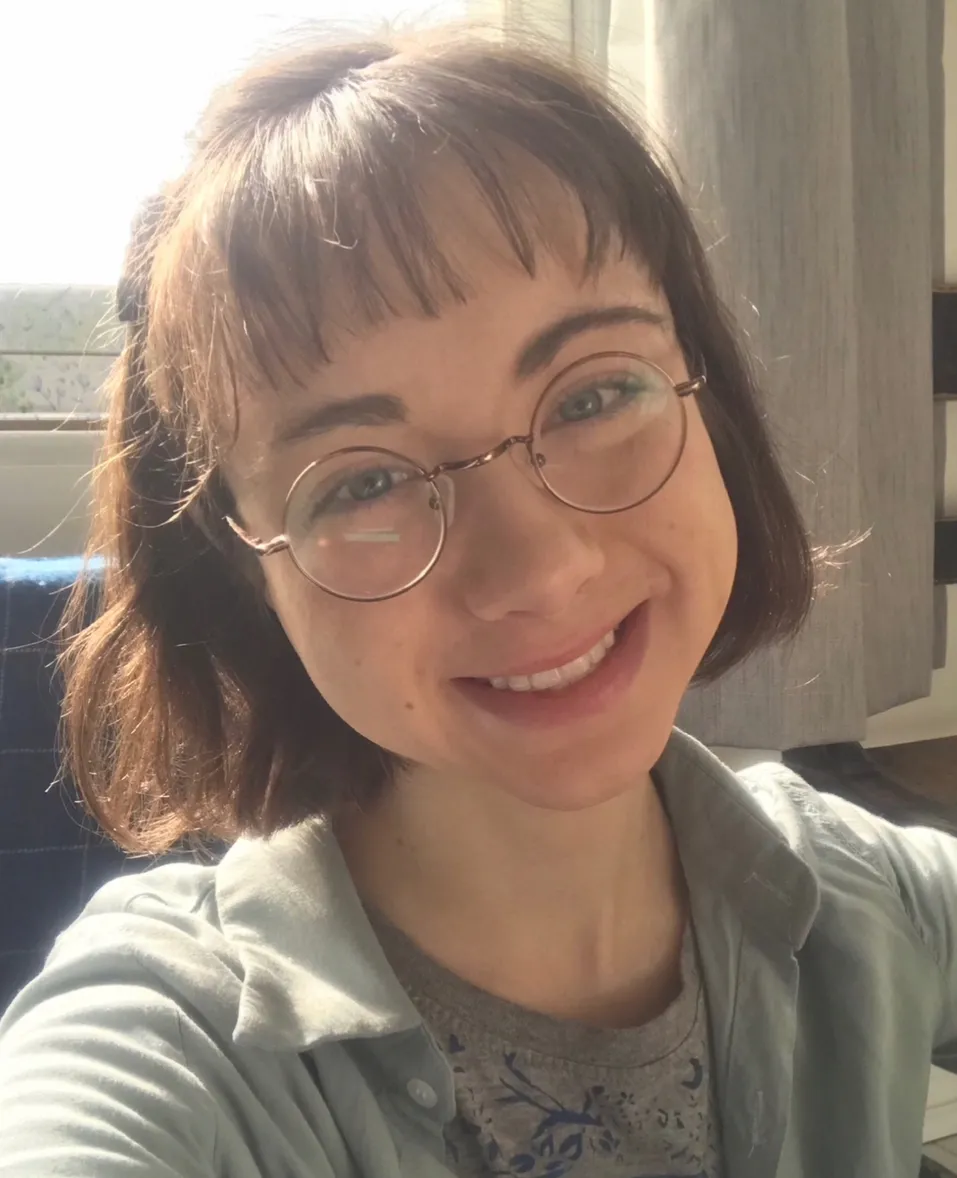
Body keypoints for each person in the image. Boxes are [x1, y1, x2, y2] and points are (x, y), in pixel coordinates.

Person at [0, 26, 952, 1178]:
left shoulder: (869, 894)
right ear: (247, 573)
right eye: (364, 481)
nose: (539, 569)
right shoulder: (174, 1048)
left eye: (594, 395)